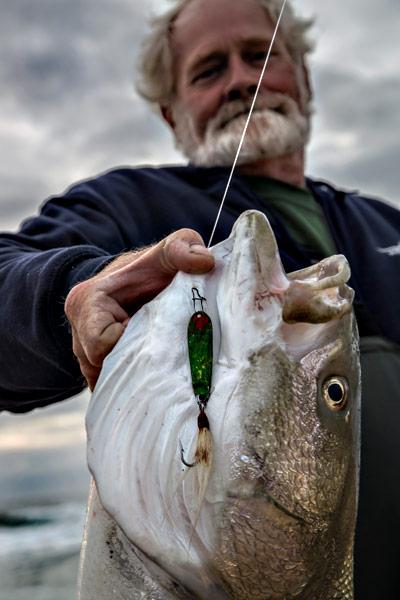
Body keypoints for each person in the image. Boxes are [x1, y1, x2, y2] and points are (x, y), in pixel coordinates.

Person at [0, 0, 399, 596]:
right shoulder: (130, 204)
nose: (242, 80)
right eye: (209, 70)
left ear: (306, 78)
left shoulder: (385, 225)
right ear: (171, 111)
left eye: (259, 56)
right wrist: (72, 289)